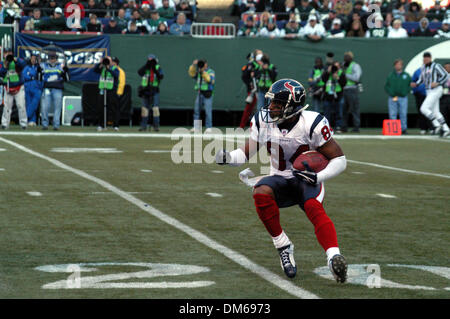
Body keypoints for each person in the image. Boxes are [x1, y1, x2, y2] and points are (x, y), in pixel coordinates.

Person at [215, 78, 348, 282]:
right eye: (271, 102)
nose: (271, 107)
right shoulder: (262, 120)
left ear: (292, 106)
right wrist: (229, 158)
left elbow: (339, 159)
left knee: (314, 208)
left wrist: (318, 177)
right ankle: (283, 245)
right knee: (260, 191)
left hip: (305, 180)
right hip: (279, 178)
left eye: (277, 104)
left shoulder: (312, 123)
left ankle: (333, 256)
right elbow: (246, 153)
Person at [411, 52, 450, 137]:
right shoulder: (423, 67)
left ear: (430, 58)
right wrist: (416, 84)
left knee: (423, 108)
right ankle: (446, 128)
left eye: (427, 58)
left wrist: (438, 83)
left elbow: (445, 75)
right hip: (429, 91)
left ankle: (436, 125)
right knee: (436, 112)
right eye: (424, 58)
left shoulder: (436, 66)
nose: (425, 60)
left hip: (436, 90)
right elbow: (421, 79)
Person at [40, 51, 69, 131]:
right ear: (48, 59)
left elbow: (66, 78)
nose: (52, 60)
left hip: (57, 89)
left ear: (56, 59)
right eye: (51, 58)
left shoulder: (60, 66)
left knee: (57, 107)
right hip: (47, 88)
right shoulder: (44, 66)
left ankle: (56, 125)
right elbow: (39, 76)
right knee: (45, 107)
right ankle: (45, 124)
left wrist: (65, 70)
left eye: (54, 58)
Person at [0, 49, 28, 130]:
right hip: (8, 87)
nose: (8, 54)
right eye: (6, 53)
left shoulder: (17, 60)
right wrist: (5, 66)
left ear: (12, 53)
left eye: (9, 53)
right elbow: (1, 73)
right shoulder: (2, 63)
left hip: (18, 86)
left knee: (21, 105)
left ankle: (23, 124)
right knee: (7, 107)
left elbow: (24, 64)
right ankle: (5, 124)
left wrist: (16, 60)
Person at [384, 59, 411, 134]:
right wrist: (391, 93)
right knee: (392, 113)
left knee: (403, 113)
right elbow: (386, 86)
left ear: (402, 66)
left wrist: (405, 92)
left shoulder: (406, 75)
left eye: (399, 64)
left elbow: (410, 85)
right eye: (396, 64)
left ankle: (403, 129)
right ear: (394, 66)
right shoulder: (391, 75)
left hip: (403, 97)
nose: (398, 66)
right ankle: (393, 129)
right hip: (393, 97)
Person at [188, 59, 215, 133]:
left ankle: (209, 127)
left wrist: (203, 72)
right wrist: (193, 65)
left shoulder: (210, 72)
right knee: (197, 111)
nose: (202, 65)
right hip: (200, 93)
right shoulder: (198, 72)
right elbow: (191, 74)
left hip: (208, 94)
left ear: (206, 64)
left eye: (203, 64)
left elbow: (209, 80)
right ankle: (196, 127)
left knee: (208, 111)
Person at [138, 54, 164, 132]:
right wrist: (147, 65)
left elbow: (161, 76)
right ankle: (143, 126)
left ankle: (156, 126)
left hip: (154, 89)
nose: (150, 62)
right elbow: (139, 72)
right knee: (144, 108)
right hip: (145, 90)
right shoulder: (145, 68)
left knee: (155, 108)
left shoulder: (158, 67)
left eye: (152, 60)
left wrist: (154, 69)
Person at [94, 56, 120, 132]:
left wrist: (108, 68)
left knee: (113, 108)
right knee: (101, 107)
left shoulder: (114, 68)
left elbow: (116, 75)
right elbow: (95, 70)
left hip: (111, 90)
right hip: (103, 89)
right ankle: (101, 125)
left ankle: (115, 125)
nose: (107, 62)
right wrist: (100, 63)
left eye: (109, 60)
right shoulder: (102, 68)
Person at [239, 49, 262, 129]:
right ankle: (242, 126)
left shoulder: (263, 64)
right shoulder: (252, 64)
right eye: (259, 54)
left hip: (262, 89)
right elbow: (244, 76)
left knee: (260, 109)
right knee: (249, 108)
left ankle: (258, 126)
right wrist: (250, 84)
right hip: (254, 89)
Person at [322, 61, 346, 132]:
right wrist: (328, 72)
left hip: (338, 95)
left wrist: (338, 78)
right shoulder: (328, 73)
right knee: (327, 112)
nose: (335, 68)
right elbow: (323, 80)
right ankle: (326, 127)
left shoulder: (341, 73)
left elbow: (343, 83)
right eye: (334, 66)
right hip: (328, 96)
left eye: (337, 66)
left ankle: (338, 126)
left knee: (339, 112)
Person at [342, 51, 362, 133]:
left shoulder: (355, 66)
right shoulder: (343, 65)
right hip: (343, 89)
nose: (346, 58)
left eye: (347, 56)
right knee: (343, 110)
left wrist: (345, 75)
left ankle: (356, 127)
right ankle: (344, 127)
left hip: (352, 89)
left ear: (351, 58)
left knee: (354, 109)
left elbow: (356, 78)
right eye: (345, 56)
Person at [23, 53, 43, 127]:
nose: (34, 60)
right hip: (28, 87)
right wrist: (31, 77)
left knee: (34, 103)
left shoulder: (40, 68)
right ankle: (32, 121)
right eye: (32, 58)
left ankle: (25, 117)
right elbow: (24, 75)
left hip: (37, 87)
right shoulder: (27, 67)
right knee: (29, 103)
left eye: (35, 59)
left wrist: (32, 76)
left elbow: (40, 77)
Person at [411, 67, 430, 134]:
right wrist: (415, 91)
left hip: (430, 94)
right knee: (421, 111)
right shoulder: (418, 71)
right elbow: (413, 82)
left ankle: (432, 128)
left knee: (430, 111)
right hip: (420, 95)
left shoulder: (433, 70)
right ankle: (423, 128)